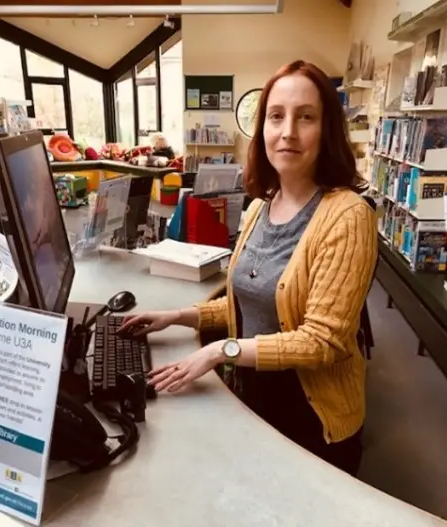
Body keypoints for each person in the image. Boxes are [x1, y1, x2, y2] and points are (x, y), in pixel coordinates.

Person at [119, 60, 378, 476]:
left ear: (326, 130)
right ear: (263, 130)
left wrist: (222, 349)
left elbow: (323, 341)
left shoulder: (349, 216)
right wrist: (178, 317)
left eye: (305, 117)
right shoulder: (260, 206)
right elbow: (252, 306)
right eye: (276, 116)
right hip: (253, 396)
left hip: (314, 421)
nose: (288, 131)